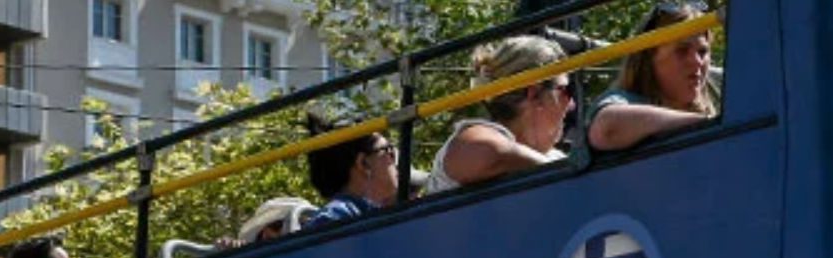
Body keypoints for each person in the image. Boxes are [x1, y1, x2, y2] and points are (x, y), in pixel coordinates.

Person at [423, 37, 571, 195]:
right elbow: (482, 152)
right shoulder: (476, 137)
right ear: (533, 93)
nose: (571, 103)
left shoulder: (554, 156)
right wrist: (563, 172)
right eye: (565, 91)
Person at [587, 2, 717, 153]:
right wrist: (702, 124)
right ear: (649, 57)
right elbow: (606, 129)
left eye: (702, 51)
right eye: (682, 51)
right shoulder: (625, 101)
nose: (697, 62)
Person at [302, 116, 400, 227]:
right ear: (364, 163)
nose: (395, 161)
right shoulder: (334, 219)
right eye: (389, 151)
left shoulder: (367, 214)